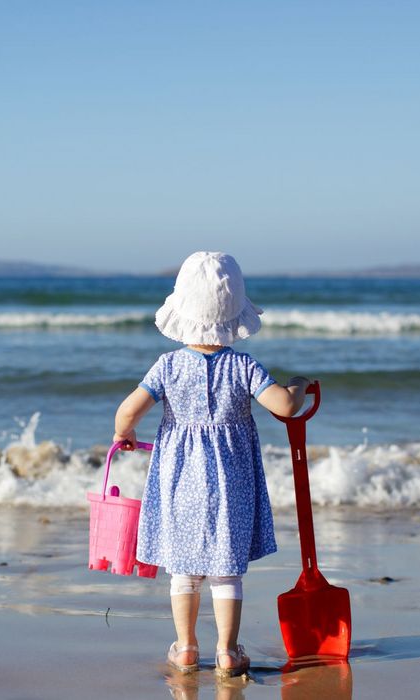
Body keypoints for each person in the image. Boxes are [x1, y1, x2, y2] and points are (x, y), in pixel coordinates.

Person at [113, 251, 311, 678]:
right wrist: (298, 385)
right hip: (231, 480)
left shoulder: (167, 366)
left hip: (179, 478)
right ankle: (227, 651)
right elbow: (286, 407)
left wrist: (124, 434)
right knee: (225, 567)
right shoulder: (243, 366)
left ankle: (185, 648)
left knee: (184, 569)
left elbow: (128, 411)